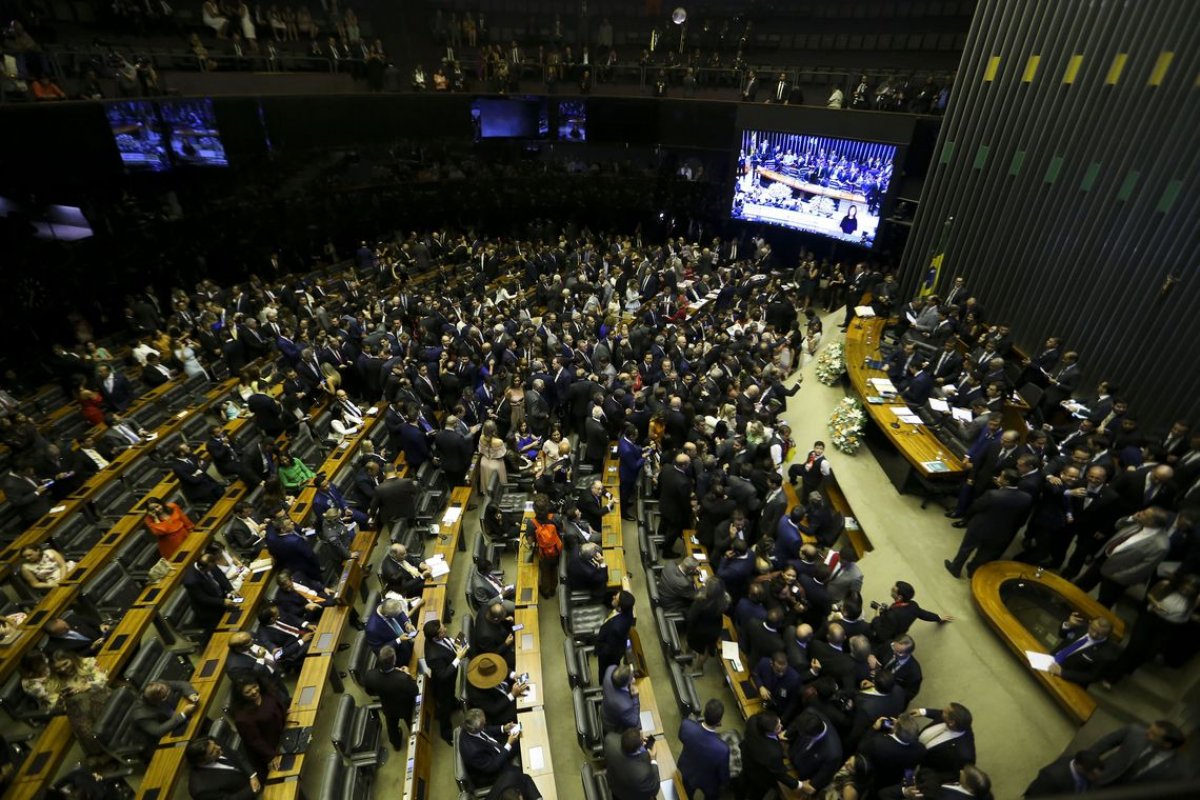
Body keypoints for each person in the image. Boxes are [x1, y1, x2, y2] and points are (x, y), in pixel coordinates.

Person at [944, 469, 1033, 578]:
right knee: (984, 554)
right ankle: (973, 571)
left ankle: (955, 568)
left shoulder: (992, 494)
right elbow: (1022, 519)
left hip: (980, 527)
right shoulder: (1026, 498)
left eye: (1001, 476)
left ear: (1006, 482)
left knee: (966, 548)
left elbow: (975, 507)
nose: (998, 478)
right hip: (1002, 532)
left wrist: (968, 518)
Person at [1078, 720, 1188, 787]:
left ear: (1167, 744)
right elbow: (1105, 743)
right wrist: (1086, 763)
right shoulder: (1134, 732)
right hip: (1100, 778)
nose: (1146, 732)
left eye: (1153, 734)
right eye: (1150, 728)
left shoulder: (1177, 769)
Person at [229, 675, 288, 778]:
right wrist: (271, 756)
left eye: (254, 686)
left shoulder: (266, 692)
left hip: (284, 731)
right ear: (240, 695)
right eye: (248, 692)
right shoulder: (242, 718)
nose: (254, 691)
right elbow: (255, 741)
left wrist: (285, 712)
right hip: (272, 747)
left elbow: (277, 704)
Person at [424, 620, 471, 744]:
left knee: (451, 698)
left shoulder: (436, 638)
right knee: (445, 710)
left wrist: (454, 645)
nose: (445, 628)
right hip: (443, 686)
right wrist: (458, 658)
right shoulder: (433, 655)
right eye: (442, 629)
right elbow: (443, 675)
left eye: (443, 626)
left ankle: (454, 704)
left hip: (450, 681)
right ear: (436, 636)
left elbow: (446, 642)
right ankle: (446, 734)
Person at [362, 645, 419, 750]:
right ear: (394, 661)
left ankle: (396, 744)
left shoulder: (370, 675)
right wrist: (408, 674)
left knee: (392, 727)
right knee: (412, 724)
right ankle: (416, 740)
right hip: (406, 708)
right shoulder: (403, 678)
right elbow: (415, 691)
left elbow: (370, 692)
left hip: (388, 707)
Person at [740, 711, 803, 799]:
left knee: (744, 784)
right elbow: (779, 774)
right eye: (778, 728)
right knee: (755, 794)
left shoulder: (753, 721)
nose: (781, 727)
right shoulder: (773, 753)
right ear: (768, 732)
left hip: (747, 758)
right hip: (760, 775)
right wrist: (799, 785)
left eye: (780, 723)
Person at [130, 679, 200, 758]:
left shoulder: (159, 685)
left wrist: (191, 695)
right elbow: (158, 731)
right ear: (157, 701)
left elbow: (181, 684)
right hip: (156, 743)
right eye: (165, 697)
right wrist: (183, 714)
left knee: (197, 720)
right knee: (191, 747)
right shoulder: (141, 714)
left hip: (171, 722)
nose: (169, 696)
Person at [677, 699, 731, 800]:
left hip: (688, 771)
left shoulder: (686, 725)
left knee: (686, 794)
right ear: (719, 721)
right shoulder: (723, 749)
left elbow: (681, 737)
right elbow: (723, 775)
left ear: (704, 714)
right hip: (709, 782)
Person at [1046, 614, 1117, 686]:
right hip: (1049, 659)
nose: (1094, 634)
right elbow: (1062, 635)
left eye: (1100, 634)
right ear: (1090, 623)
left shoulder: (1107, 654)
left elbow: (1091, 676)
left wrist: (1062, 673)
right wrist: (1068, 624)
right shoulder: (1082, 626)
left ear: (1108, 635)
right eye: (1092, 629)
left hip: (1067, 679)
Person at [870, 581, 953, 641]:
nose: (891, 589)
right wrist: (938, 617)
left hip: (889, 634)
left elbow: (882, 635)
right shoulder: (913, 605)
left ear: (899, 598)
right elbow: (923, 614)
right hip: (900, 631)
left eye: (893, 589)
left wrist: (876, 617)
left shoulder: (892, 615)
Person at [185, 735, 260, 799]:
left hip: (255, 773)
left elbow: (236, 755)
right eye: (212, 751)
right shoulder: (201, 790)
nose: (219, 747)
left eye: (215, 745)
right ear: (202, 762)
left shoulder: (211, 743)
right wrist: (253, 788)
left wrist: (252, 775)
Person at [465, 652, 528, 726]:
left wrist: (512, 674)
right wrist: (512, 695)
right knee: (525, 707)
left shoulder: (486, 665)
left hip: (506, 692)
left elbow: (501, 668)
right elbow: (493, 709)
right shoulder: (475, 693)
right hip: (499, 711)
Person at [686, 577, 729, 675]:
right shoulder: (725, 600)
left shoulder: (700, 601)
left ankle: (688, 658)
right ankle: (698, 668)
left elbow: (691, 616)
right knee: (705, 650)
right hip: (713, 630)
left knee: (691, 643)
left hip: (698, 629)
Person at [604, 727, 661, 800]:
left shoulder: (610, 739)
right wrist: (653, 760)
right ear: (638, 749)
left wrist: (635, 740)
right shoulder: (643, 774)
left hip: (613, 786)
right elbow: (654, 789)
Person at [594, 590, 636, 680]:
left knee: (605, 672)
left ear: (620, 608)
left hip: (609, 655)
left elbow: (608, 649)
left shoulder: (616, 627)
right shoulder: (628, 610)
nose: (613, 597)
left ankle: (603, 684)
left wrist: (599, 650)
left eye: (616, 599)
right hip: (618, 643)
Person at [601, 664, 640, 733]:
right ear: (625, 683)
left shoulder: (610, 669)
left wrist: (629, 681)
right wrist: (635, 697)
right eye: (631, 678)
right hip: (613, 726)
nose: (634, 679)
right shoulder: (625, 706)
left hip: (605, 709)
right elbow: (634, 721)